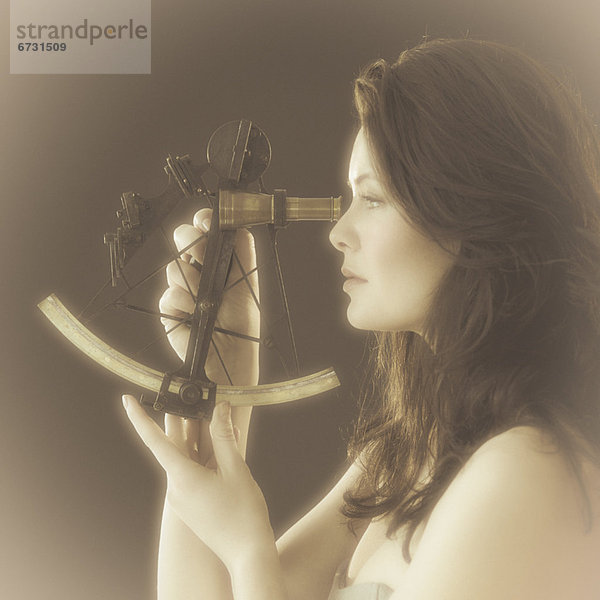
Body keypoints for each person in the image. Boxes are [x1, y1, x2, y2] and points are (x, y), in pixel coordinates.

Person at [121, 37, 600, 599]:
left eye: (372, 199)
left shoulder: (523, 474)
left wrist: (248, 549)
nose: (337, 232)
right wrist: (226, 387)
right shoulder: (403, 457)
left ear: (469, 212)